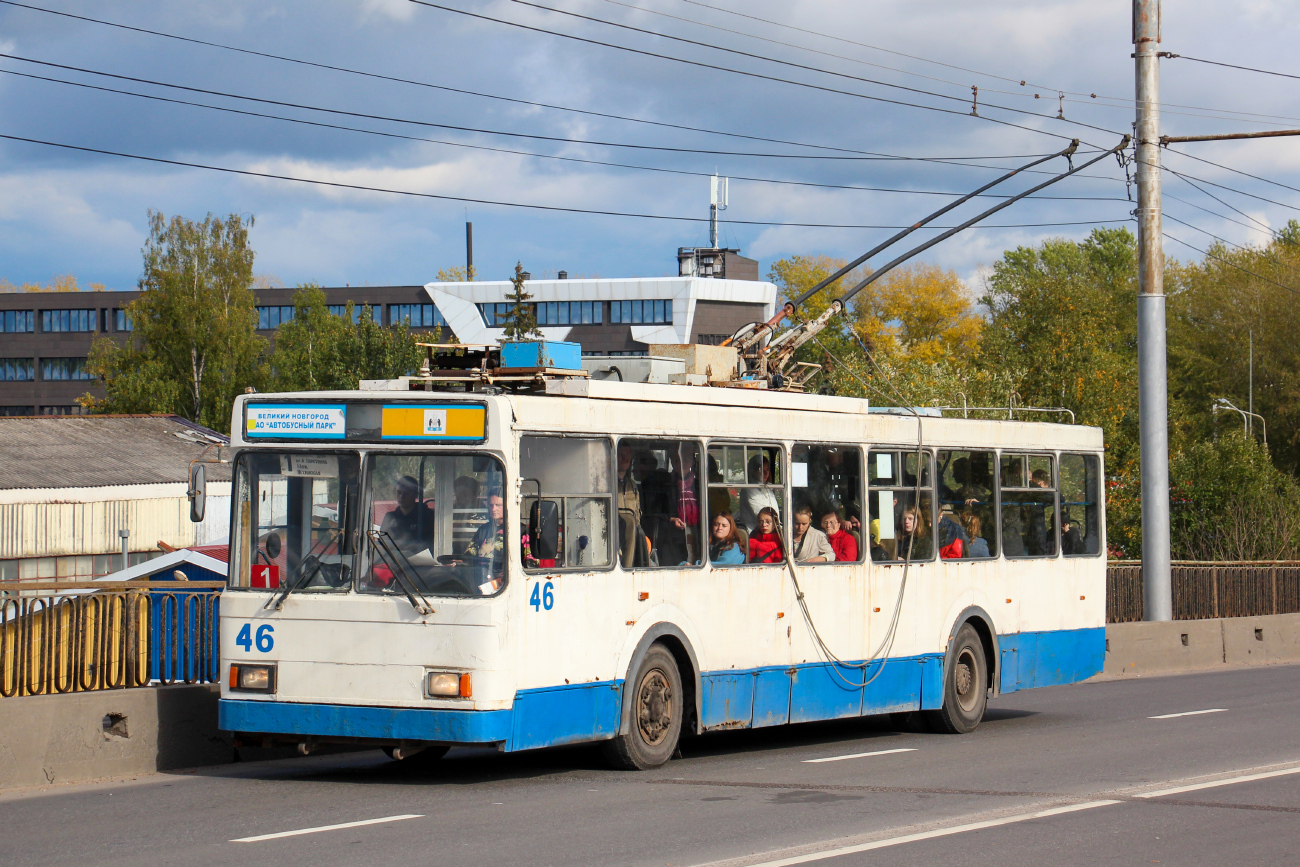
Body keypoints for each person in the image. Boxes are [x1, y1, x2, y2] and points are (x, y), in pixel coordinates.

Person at [379, 475, 435, 555]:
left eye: (406, 493)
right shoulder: (390, 518)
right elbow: (382, 546)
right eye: (399, 492)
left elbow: (431, 544)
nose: (401, 496)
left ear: (416, 495)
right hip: (393, 563)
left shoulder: (427, 516)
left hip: (422, 565)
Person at [736, 453, 780, 532]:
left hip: (770, 530)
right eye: (762, 470)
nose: (766, 473)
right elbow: (764, 515)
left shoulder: (767, 488)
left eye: (767, 470)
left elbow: (775, 512)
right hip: (754, 533)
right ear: (752, 471)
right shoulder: (748, 489)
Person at [616, 443, 643, 567]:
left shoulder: (632, 486)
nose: (625, 459)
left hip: (630, 539)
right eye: (621, 454)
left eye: (628, 455)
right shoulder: (605, 484)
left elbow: (637, 516)